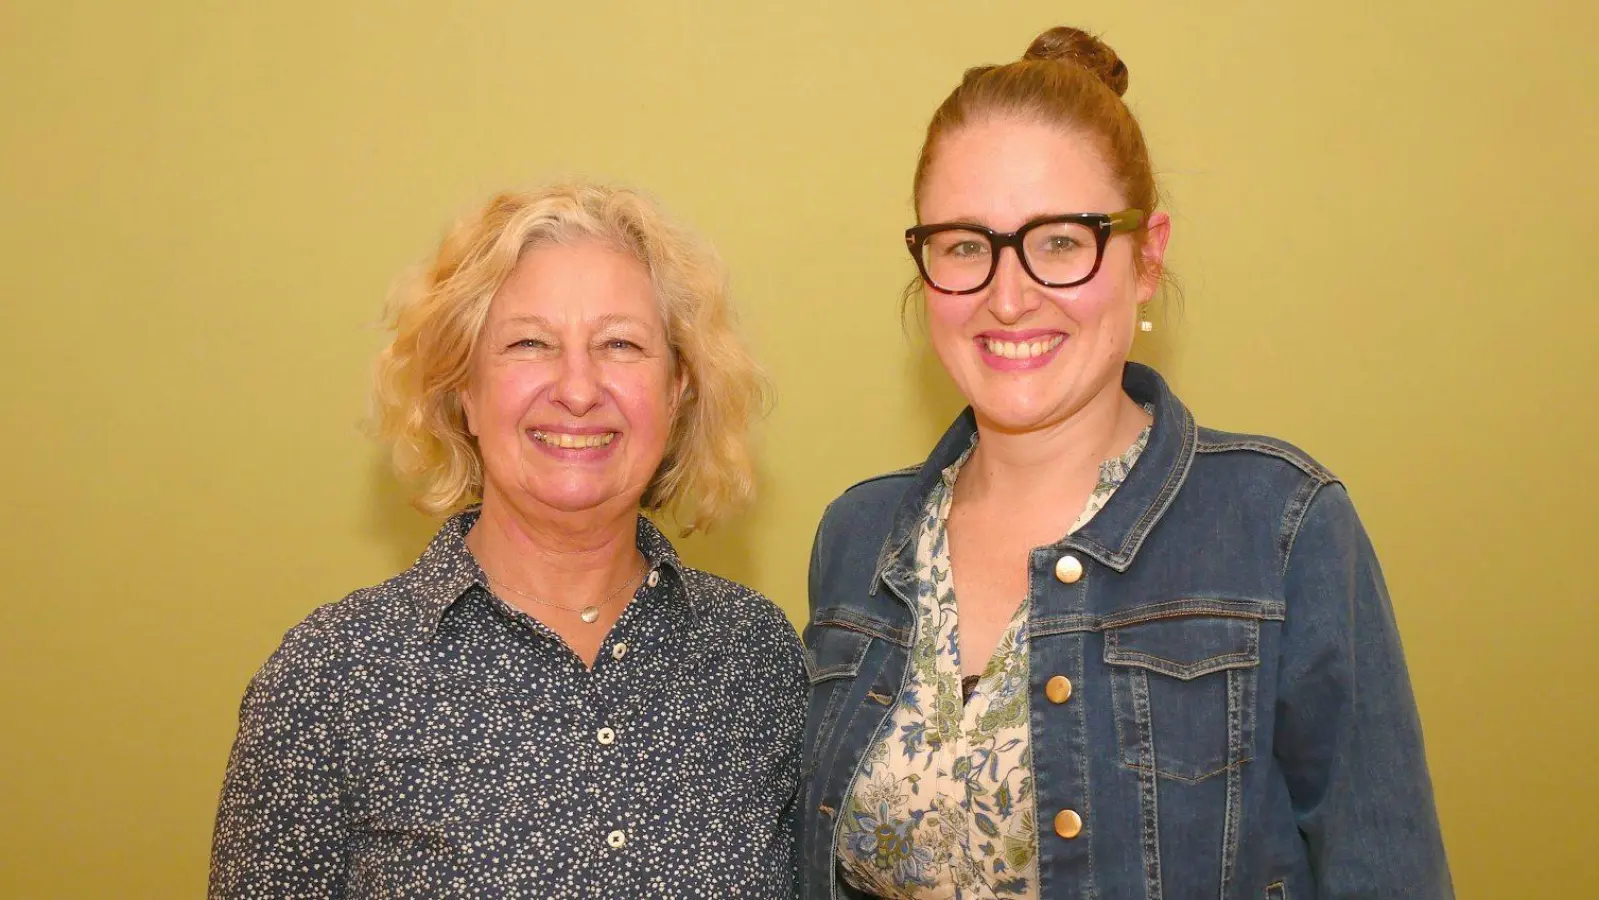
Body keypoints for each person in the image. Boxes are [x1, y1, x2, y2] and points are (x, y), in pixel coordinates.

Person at [799, 26, 1452, 900]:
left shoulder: (1280, 527)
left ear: (1146, 257)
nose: (1006, 293)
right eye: (964, 245)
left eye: (1061, 240)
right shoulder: (858, 537)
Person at [210, 182, 806, 898]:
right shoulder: (329, 681)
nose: (578, 389)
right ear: (463, 387)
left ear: (679, 389)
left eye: (620, 344)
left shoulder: (757, 659)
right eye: (529, 344)